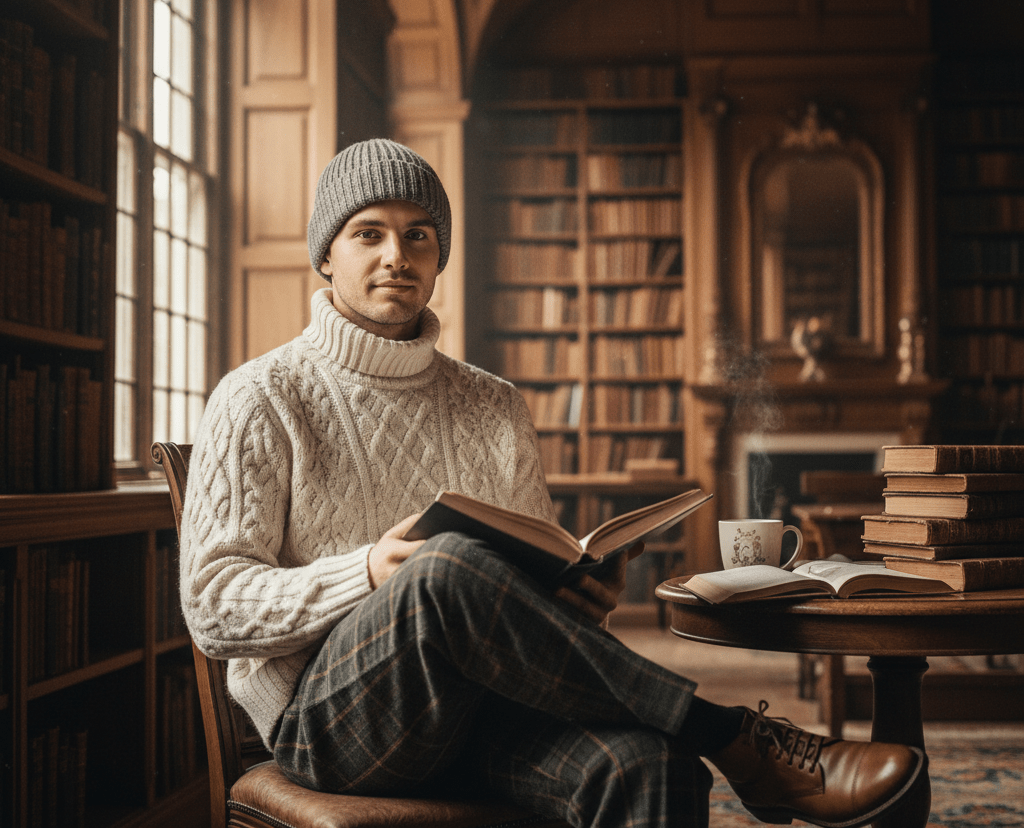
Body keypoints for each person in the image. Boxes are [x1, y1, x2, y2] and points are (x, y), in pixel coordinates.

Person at [179, 138, 925, 828]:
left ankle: (715, 744)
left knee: (651, 765)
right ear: (326, 255)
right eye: (367, 233)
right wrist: (369, 572)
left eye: (419, 235)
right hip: (335, 724)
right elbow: (212, 604)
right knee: (444, 569)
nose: (396, 256)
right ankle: (732, 735)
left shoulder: (493, 404)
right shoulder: (260, 396)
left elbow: (515, 601)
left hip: (489, 711)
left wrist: (578, 597)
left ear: (440, 257)